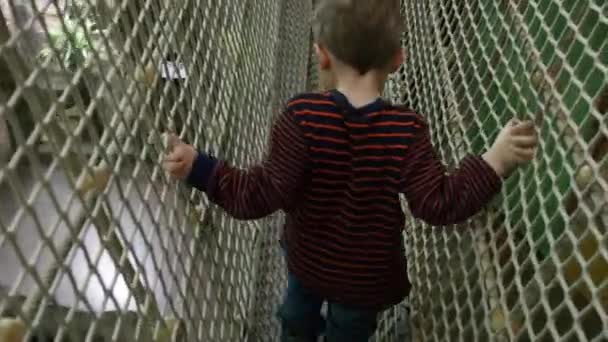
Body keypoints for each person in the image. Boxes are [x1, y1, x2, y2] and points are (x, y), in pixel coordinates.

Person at [162, 0, 539, 341]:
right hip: (365, 282)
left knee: (295, 319)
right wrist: (495, 161)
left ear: (321, 57)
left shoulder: (301, 117)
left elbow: (259, 193)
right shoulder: (406, 130)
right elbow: (438, 203)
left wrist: (200, 166)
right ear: (397, 59)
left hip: (306, 261)